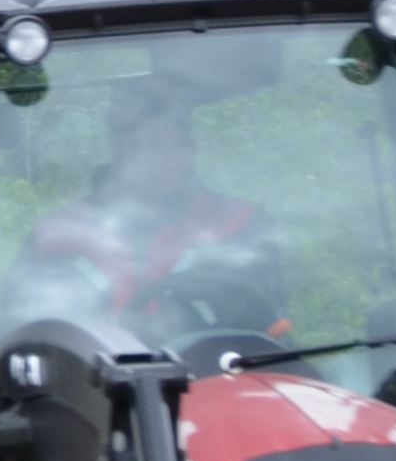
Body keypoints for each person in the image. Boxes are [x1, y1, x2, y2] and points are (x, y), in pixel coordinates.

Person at [15, 89, 279, 331]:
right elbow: (19, 338)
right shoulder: (55, 237)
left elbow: (266, 340)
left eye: (154, 143)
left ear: (186, 151)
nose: (139, 158)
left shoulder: (240, 227)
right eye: (129, 143)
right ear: (113, 149)